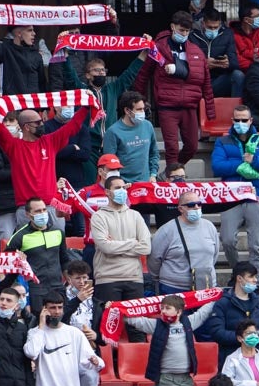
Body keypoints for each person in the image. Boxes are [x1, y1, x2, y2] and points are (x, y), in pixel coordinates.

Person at [132, 11, 215, 166]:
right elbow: (143, 75)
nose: (184, 33)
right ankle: (173, 179)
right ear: (172, 27)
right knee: (172, 147)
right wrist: (138, 100)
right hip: (167, 105)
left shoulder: (196, 51)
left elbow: (206, 83)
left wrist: (210, 111)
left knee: (192, 146)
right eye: (181, 30)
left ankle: (174, 170)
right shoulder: (158, 49)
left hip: (190, 106)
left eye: (187, 31)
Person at [212, 104, 259, 273]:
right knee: (227, 240)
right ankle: (239, 274)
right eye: (237, 120)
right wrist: (242, 163)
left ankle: (254, 281)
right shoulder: (222, 141)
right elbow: (217, 166)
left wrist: (255, 160)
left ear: (251, 120)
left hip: (255, 197)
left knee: (257, 245)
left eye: (244, 120)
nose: (241, 123)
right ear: (232, 120)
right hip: (231, 199)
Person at [23, 292, 104, 386]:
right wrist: (41, 326)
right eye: (52, 308)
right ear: (44, 309)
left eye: (60, 308)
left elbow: (92, 361)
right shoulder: (36, 333)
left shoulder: (74, 333)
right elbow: (31, 352)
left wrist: (96, 361)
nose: (56, 312)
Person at [125, 293, 217, 386]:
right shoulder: (156, 325)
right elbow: (136, 321)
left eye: (168, 308)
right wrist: (116, 309)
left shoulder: (188, 322)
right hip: (165, 378)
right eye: (162, 308)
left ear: (179, 311)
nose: (163, 311)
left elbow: (204, 312)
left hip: (186, 379)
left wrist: (217, 294)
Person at [91, 175, 152, 323]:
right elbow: (106, 247)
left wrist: (116, 244)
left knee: (137, 327)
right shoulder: (99, 217)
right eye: (117, 188)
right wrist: (132, 242)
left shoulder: (136, 215)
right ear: (107, 192)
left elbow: (146, 248)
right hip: (107, 278)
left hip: (134, 278)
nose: (122, 191)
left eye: (124, 188)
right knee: (108, 327)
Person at [198, 263, 259, 368]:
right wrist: (241, 338)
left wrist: (258, 337)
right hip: (230, 360)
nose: (255, 280)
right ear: (239, 278)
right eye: (251, 276)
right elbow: (217, 332)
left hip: (256, 358)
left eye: (255, 276)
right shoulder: (222, 303)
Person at [148, 190, 219, 294]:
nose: (196, 207)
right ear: (181, 208)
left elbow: (214, 255)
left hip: (205, 285)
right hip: (174, 288)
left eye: (199, 204)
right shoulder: (167, 230)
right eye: (191, 205)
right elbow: (154, 259)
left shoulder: (209, 226)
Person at [101, 91, 158, 185]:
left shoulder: (148, 126)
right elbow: (109, 162)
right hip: (124, 185)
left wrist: (153, 174)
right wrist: (118, 183)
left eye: (143, 109)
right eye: (139, 109)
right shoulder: (113, 132)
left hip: (147, 182)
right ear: (127, 110)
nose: (143, 112)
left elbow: (154, 153)